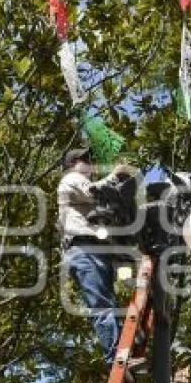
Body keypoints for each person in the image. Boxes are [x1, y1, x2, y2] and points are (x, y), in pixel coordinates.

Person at [58, 148, 137, 363]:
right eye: (85, 159)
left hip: (96, 250)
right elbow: (95, 190)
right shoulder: (71, 179)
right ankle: (116, 356)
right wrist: (116, 174)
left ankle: (125, 344)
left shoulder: (84, 192)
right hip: (83, 250)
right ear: (74, 163)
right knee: (102, 304)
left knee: (109, 301)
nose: (90, 164)